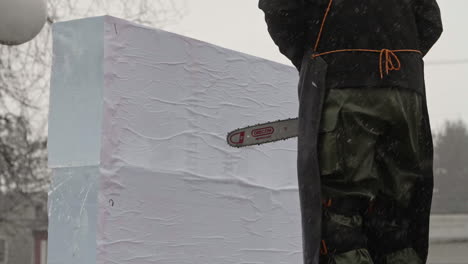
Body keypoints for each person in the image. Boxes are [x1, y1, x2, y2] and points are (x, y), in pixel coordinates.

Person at [258, 0, 443, 264]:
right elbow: (430, 20)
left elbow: (279, 8)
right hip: (405, 91)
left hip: (343, 82)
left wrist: (316, 57)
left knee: (338, 217)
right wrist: (399, 63)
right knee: (394, 219)